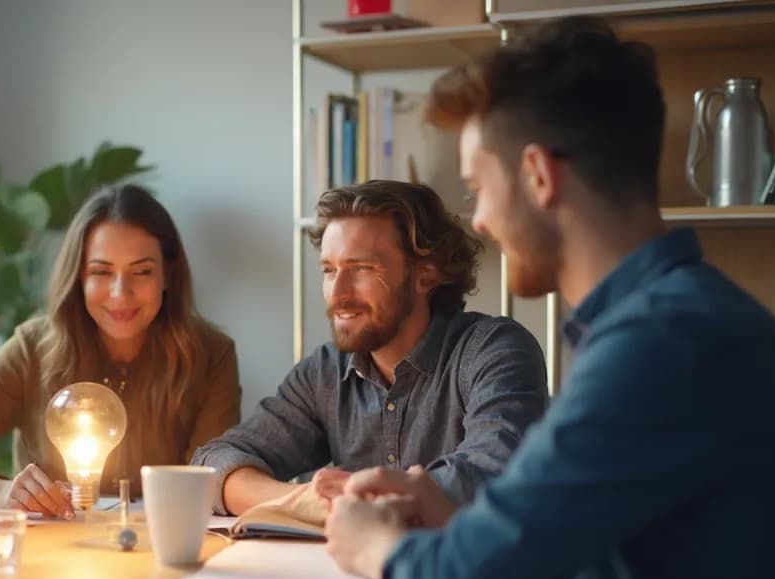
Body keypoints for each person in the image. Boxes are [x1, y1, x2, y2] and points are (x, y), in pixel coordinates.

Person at [323, 16, 775, 579]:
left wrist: (367, 544)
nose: (480, 222)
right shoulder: (681, 318)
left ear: (540, 176)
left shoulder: (659, 347)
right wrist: (457, 520)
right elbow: (556, 540)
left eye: (477, 188)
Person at [193, 180, 547, 516]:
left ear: (426, 274)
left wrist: (354, 500)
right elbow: (212, 463)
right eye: (329, 270)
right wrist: (306, 501)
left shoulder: (493, 351)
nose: (339, 294)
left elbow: (493, 472)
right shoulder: (325, 373)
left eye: (361, 268)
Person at [0, 184, 240, 518]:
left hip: (159, 545)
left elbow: (211, 475)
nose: (121, 293)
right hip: (49, 549)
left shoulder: (210, 356)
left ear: (167, 275)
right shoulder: (33, 349)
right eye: (101, 272)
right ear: (78, 276)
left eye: (142, 272)